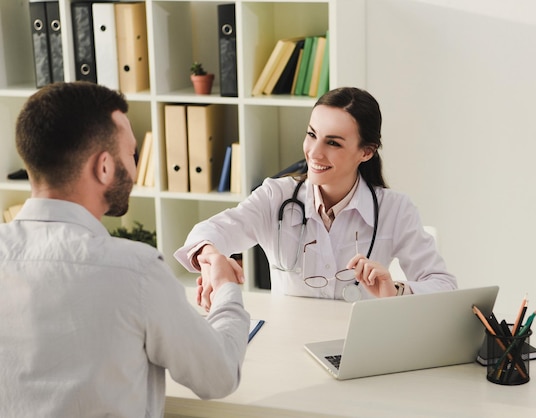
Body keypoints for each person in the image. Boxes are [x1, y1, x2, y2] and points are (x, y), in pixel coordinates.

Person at [0, 81, 250, 417]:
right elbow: (218, 377)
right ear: (103, 167)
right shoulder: (135, 271)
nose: (134, 169)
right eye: (132, 154)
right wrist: (226, 290)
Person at [175, 87, 456, 305]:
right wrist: (213, 258)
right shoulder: (275, 196)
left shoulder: (395, 209)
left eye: (333, 143)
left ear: (366, 152)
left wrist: (395, 290)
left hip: (360, 345)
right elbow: (207, 233)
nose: (314, 152)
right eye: (312, 135)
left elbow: (444, 286)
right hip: (289, 346)